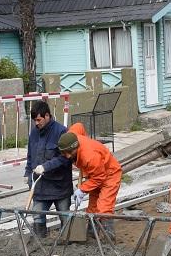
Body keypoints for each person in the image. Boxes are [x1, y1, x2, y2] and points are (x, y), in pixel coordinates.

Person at [57, 123, 122, 230]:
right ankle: (92, 236)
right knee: (92, 209)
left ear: (76, 146)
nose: (68, 156)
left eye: (69, 152)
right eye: (64, 153)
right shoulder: (71, 136)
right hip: (94, 174)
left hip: (110, 174)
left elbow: (100, 178)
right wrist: (86, 139)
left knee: (103, 209)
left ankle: (108, 240)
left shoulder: (89, 156)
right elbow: (79, 126)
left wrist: (82, 189)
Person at [23, 100, 73, 237]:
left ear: (47, 116)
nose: (36, 123)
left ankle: (69, 246)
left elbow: (65, 158)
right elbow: (30, 156)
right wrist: (28, 173)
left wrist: (45, 166)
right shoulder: (34, 133)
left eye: (39, 119)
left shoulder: (61, 132)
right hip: (40, 186)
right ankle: (40, 245)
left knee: (65, 217)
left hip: (60, 185)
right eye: (34, 120)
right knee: (38, 217)